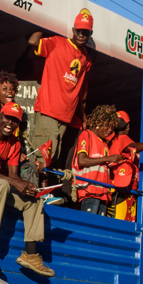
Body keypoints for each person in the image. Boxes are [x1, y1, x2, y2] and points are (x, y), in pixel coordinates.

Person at [0, 102, 54, 277]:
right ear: (0, 116)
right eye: (7, 118)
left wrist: (27, 186)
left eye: (15, 121)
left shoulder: (15, 143)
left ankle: (29, 254)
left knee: (34, 200)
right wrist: (14, 183)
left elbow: (14, 176)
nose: (10, 123)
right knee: (3, 184)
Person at [25, 9, 95, 186]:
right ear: (73, 30)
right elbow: (33, 41)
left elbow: (80, 92)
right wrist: (46, 19)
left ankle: (43, 191)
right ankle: (32, 188)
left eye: (85, 31)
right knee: (41, 154)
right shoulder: (57, 42)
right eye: (78, 30)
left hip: (66, 116)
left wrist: (84, 117)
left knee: (53, 156)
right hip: (48, 109)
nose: (81, 34)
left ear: (89, 34)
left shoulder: (86, 58)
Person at [73, 105, 126, 215]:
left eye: (112, 128)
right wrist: (108, 158)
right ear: (98, 122)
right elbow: (81, 160)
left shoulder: (104, 144)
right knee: (88, 227)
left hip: (103, 194)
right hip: (89, 193)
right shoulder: (86, 135)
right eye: (107, 126)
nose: (110, 130)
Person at [108, 110, 143, 222]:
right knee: (121, 223)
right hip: (122, 187)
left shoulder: (110, 139)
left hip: (114, 184)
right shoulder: (123, 138)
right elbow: (132, 147)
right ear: (128, 125)